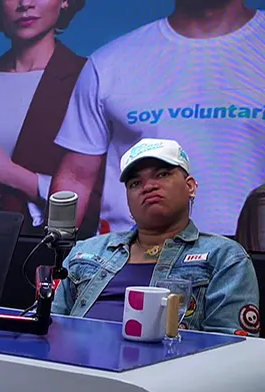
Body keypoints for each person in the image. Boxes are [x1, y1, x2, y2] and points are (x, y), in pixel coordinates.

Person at [52, 0, 265, 238]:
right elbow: (76, 178)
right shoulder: (110, 63)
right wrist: (54, 252)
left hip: (252, 253)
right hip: (134, 254)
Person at [52, 139, 259, 336]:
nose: (148, 186)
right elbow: (51, 326)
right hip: (76, 359)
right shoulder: (85, 251)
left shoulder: (225, 257)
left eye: (162, 174)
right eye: (135, 183)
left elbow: (232, 349)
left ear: (190, 186)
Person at [0, 0, 88, 230]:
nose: (25, 4)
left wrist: (11, 175)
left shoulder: (87, 80)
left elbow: (101, 194)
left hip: (45, 242)